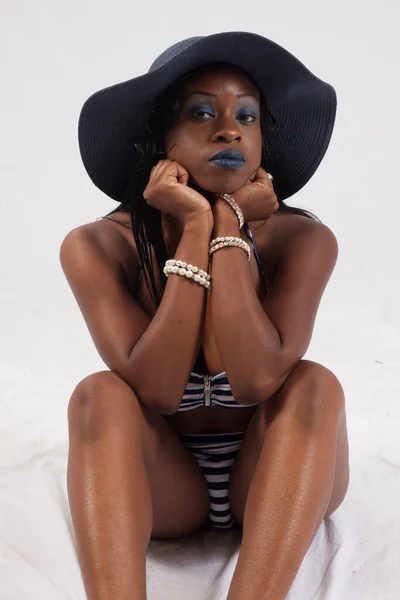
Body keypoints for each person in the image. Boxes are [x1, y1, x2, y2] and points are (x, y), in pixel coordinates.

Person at [60, 32, 350, 600]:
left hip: (274, 475)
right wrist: (197, 228)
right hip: (166, 485)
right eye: (201, 113)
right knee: (97, 394)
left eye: (247, 115)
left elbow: (255, 377)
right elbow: (159, 389)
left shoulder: (303, 240)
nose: (229, 129)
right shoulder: (98, 245)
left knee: (314, 384)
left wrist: (231, 225)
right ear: (159, 139)